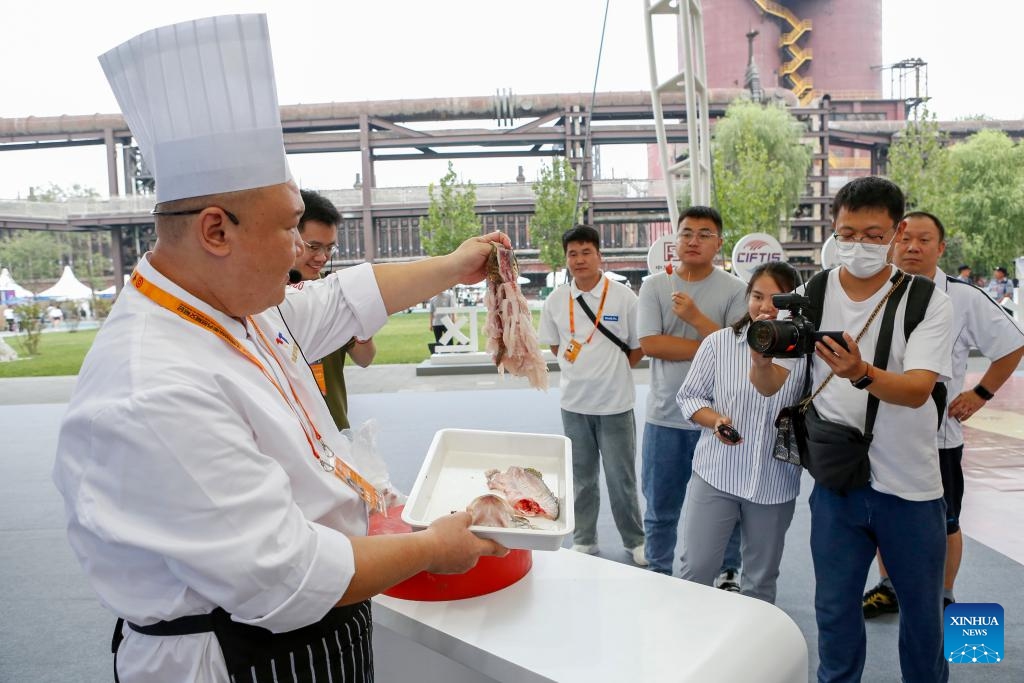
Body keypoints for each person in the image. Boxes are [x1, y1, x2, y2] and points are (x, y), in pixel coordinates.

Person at [52, 15, 506, 683]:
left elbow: (342, 300)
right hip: (236, 656)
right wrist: (431, 547)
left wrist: (452, 264)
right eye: (291, 227)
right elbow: (284, 575)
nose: (303, 252)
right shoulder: (152, 385)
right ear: (216, 230)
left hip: (318, 626)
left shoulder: (231, 306)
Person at [750, 176, 953, 683]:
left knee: (923, 619)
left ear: (896, 232)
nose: (857, 245)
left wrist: (859, 372)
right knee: (835, 613)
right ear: (833, 229)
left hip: (911, 486)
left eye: (872, 234)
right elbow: (773, 383)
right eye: (847, 233)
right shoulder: (811, 292)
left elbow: (917, 390)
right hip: (838, 482)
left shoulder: (929, 299)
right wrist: (761, 358)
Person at [861, 211, 1024, 617]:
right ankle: (889, 587)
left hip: (938, 437)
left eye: (924, 240)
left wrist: (981, 393)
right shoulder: (877, 292)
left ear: (941, 247)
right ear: (892, 243)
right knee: (883, 516)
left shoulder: (962, 297)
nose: (913, 247)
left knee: (945, 521)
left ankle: (944, 594)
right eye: (905, 239)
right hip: (879, 432)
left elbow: (1012, 345)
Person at [676, 262, 806, 603]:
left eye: (777, 300)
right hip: (717, 473)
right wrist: (715, 420)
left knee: (761, 580)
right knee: (697, 569)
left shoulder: (804, 352)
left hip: (775, 482)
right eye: (757, 296)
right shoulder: (719, 343)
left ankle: (752, 652)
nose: (765, 307)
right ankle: (689, 645)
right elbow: (689, 396)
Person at [637, 206, 746, 582]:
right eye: (686, 233)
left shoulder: (735, 290)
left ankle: (728, 570)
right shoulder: (654, 286)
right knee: (660, 505)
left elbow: (740, 349)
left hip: (718, 417)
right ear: (675, 239)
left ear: (718, 242)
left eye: (704, 234)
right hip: (665, 415)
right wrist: (711, 342)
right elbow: (651, 344)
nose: (693, 240)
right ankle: (658, 570)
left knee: (725, 504)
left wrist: (697, 319)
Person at [538, 224, 647, 565]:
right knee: (581, 479)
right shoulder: (556, 300)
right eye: (573, 254)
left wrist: (610, 372)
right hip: (574, 405)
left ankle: (635, 540)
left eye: (587, 252)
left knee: (621, 479)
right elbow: (556, 346)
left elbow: (637, 348)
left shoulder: (624, 297)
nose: (580, 259)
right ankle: (585, 538)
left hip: (615, 405)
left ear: (600, 256)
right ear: (566, 259)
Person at [292, 189, 376, 430]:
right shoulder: (266, 299)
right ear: (291, 237)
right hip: (293, 434)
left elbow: (365, 358)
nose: (322, 257)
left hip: (335, 431)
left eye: (329, 248)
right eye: (314, 246)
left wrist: (360, 313)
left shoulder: (335, 294)